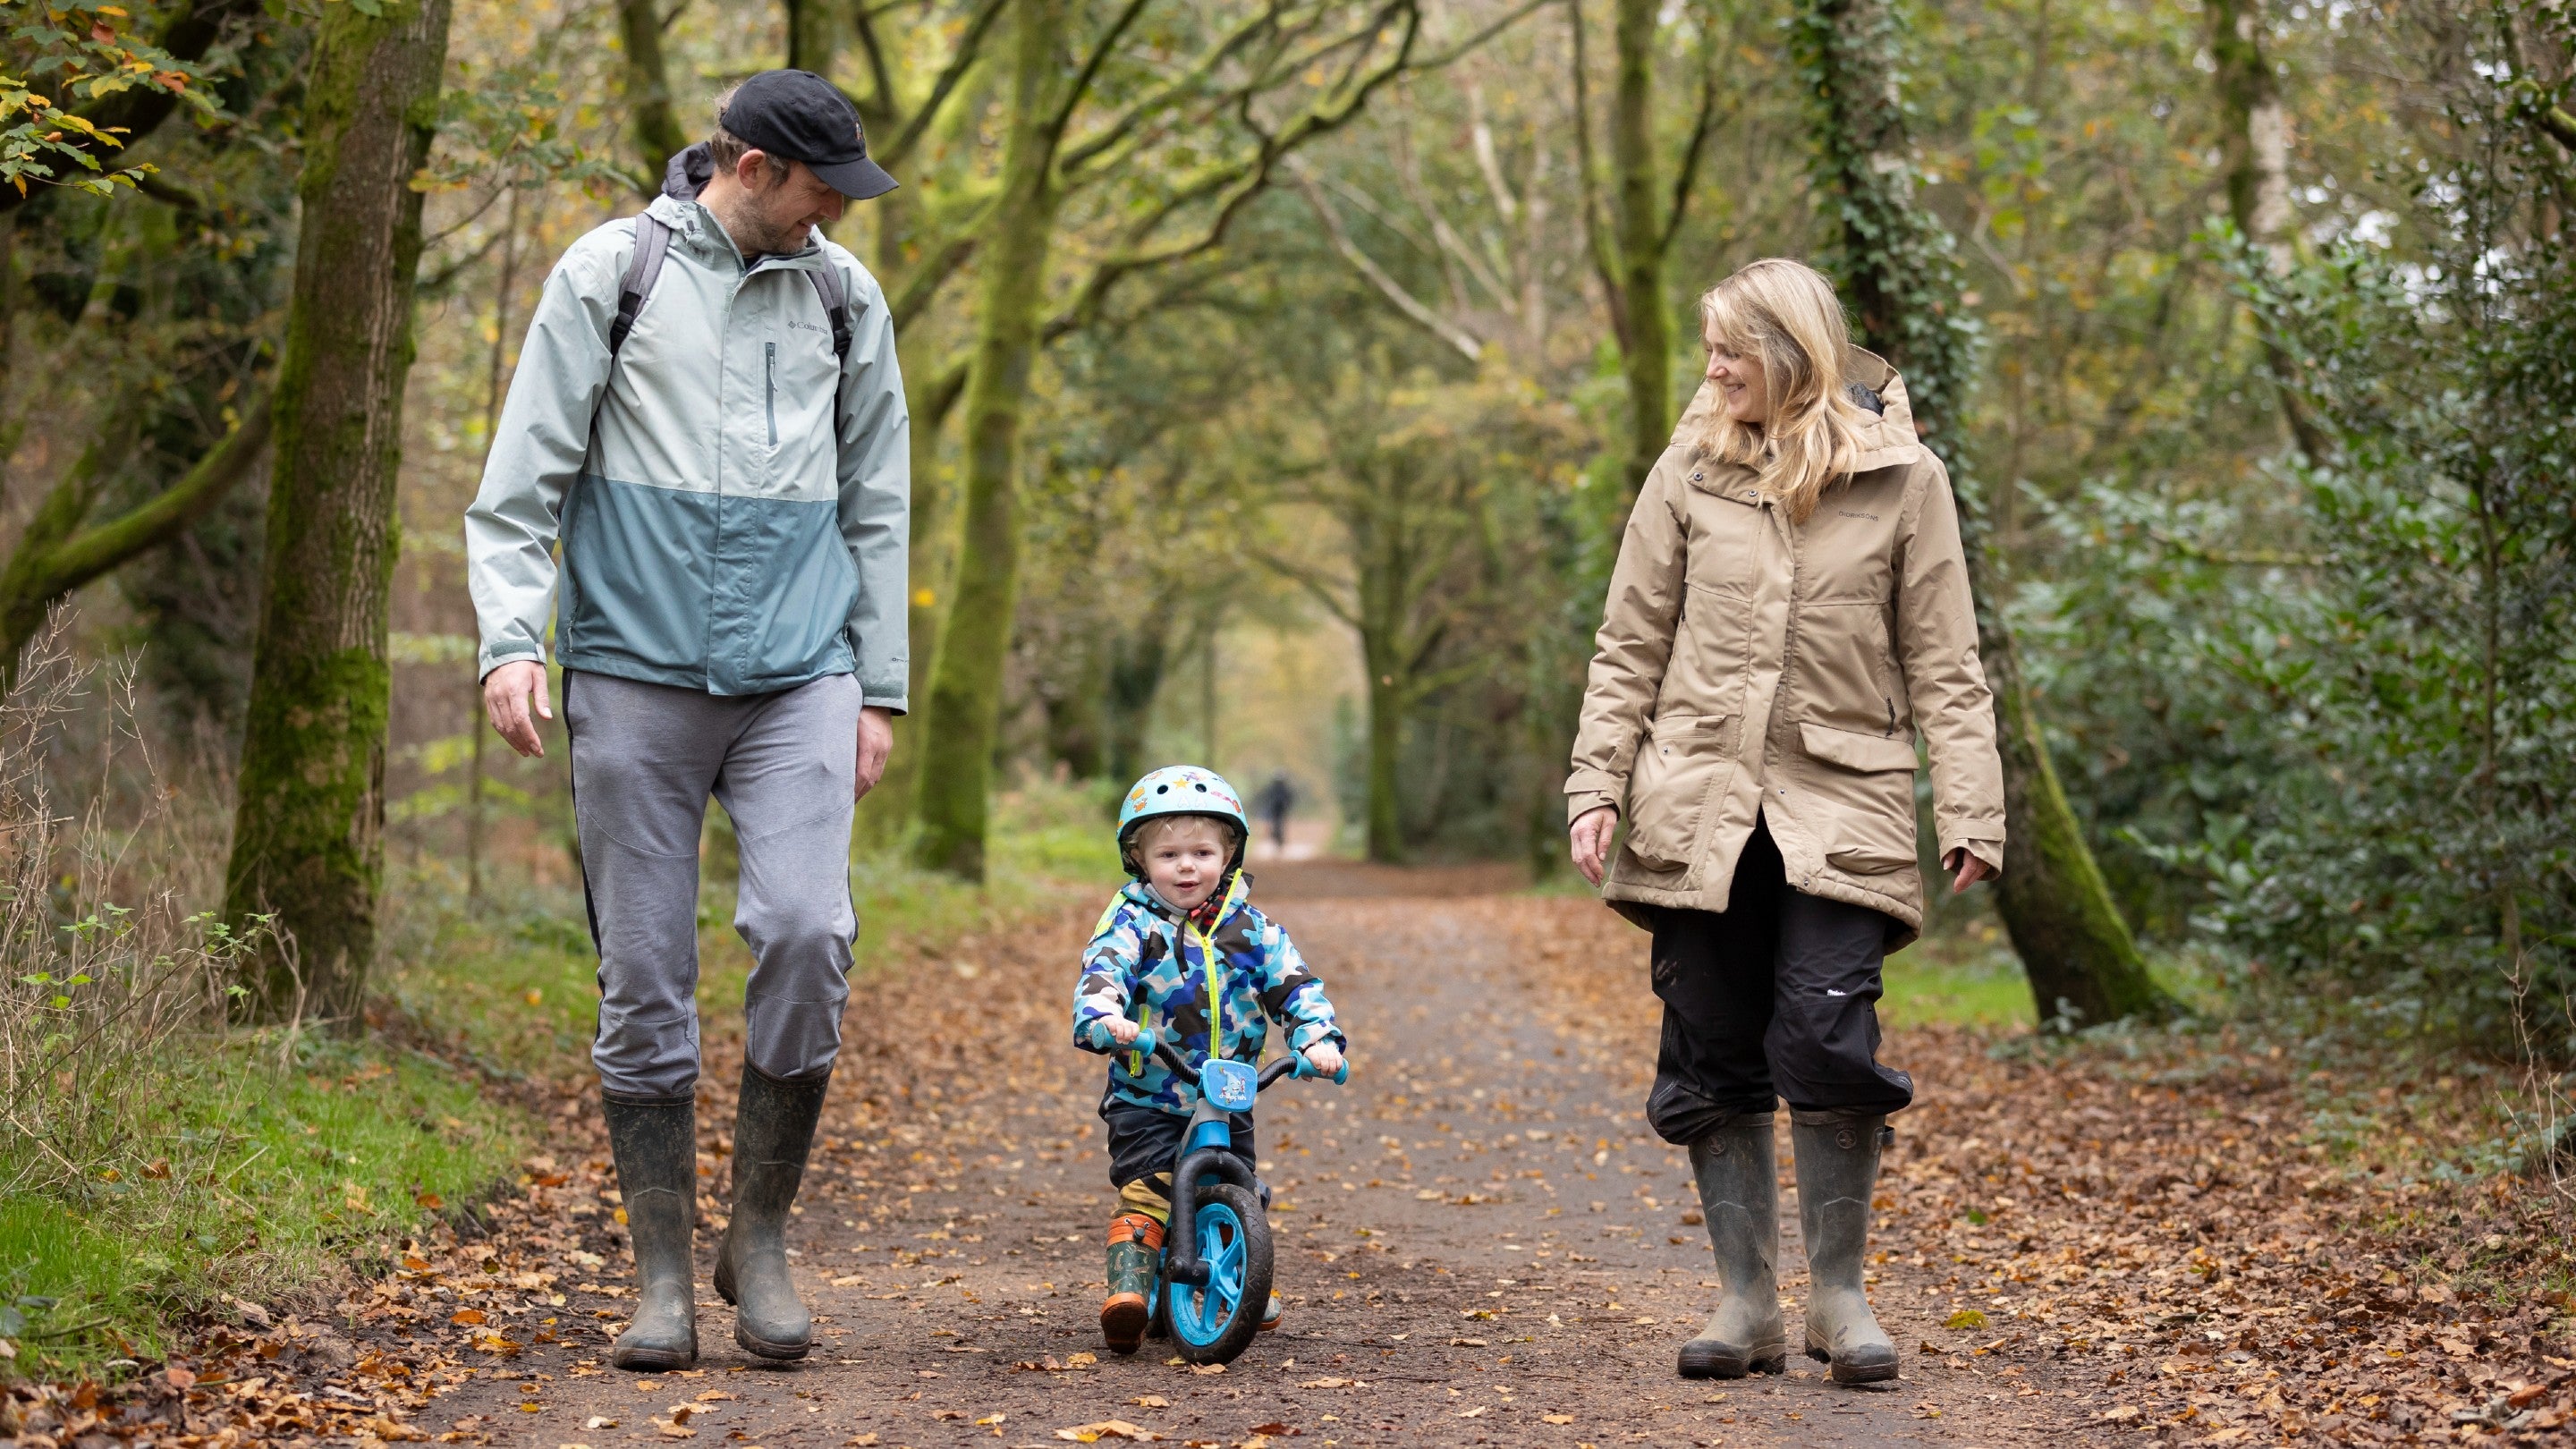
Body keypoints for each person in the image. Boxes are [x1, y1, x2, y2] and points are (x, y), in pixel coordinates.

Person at [464, 69, 909, 1371]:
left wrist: (877, 685)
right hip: (633, 674)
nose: (841, 212)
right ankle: (662, 1276)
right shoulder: (612, 274)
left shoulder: (843, 295)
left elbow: (877, 502)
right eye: (825, 187)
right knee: (647, 982)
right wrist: (510, 642)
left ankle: (756, 1237)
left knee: (808, 929)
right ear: (756, 166)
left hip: (799, 677)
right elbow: (520, 485)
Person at [1563, 258, 2004, 1386]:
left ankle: (1839, 1297)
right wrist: (1595, 784)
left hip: (1841, 802)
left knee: (1825, 1036)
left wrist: (1971, 808)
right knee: (1710, 1046)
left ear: (1795, 353)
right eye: (1710, 349)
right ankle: (1748, 1302)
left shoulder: (1907, 479)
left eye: (1733, 351)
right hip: (1695, 803)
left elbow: (1947, 664)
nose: (1713, 370)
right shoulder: (1688, 469)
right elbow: (1630, 644)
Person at [1071, 767, 1347, 1354]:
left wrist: (1316, 1038)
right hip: (1152, 1092)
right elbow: (1104, 972)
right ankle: (1130, 1294)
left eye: (1202, 851)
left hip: (1229, 1092)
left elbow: (1295, 986)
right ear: (1139, 859)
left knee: (1236, 1180)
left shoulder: (1254, 931)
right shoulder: (1132, 922)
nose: (1187, 866)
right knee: (1149, 1188)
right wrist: (1105, 1017)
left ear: (1230, 854)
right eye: (1169, 854)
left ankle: (1241, 1271)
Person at [1254, 772, 1295, 852]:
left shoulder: (1274, 788)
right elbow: (1289, 798)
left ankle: (1278, 838)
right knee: (1278, 824)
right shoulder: (1282, 788)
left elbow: (1268, 797)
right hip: (1277, 809)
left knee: (1279, 824)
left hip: (1278, 810)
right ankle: (1277, 838)